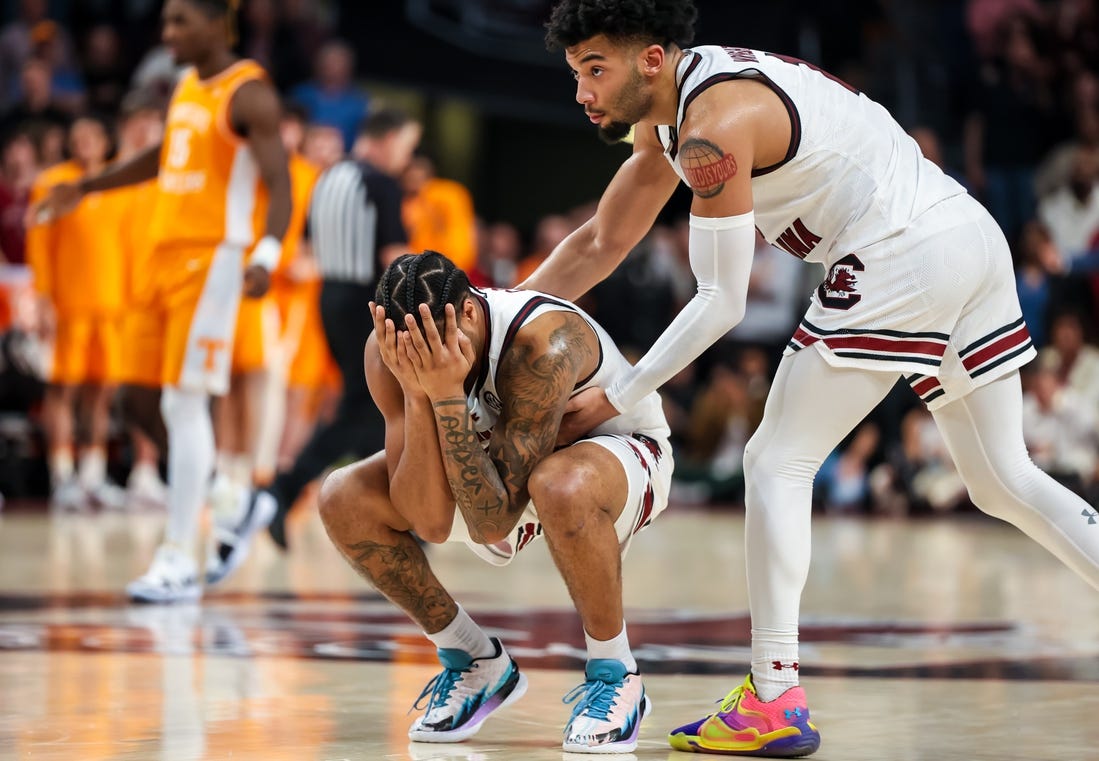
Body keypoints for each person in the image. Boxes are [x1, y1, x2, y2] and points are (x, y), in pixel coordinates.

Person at [529, 1, 1099, 756]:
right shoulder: (670, 116)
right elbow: (601, 241)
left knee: (773, 460)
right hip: (964, 234)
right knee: (1001, 480)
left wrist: (617, 393)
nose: (582, 92)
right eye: (575, 73)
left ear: (652, 60)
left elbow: (720, 301)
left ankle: (773, 694)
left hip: (901, 249)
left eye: (593, 70)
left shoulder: (711, 126)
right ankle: (770, 693)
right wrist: (506, 312)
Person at [320, 250, 672, 752]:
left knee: (558, 484)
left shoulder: (542, 343)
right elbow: (430, 521)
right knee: (344, 497)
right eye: (408, 349)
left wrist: (444, 396)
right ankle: (474, 660)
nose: (423, 358)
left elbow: (492, 522)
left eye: (435, 345)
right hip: (500, 462)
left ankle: (616, 673)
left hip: (616, 455)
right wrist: (422, 395)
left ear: (467, 312)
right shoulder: (388, 352)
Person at [30, 0, 291, 603]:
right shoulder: (182, 86)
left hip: (214, 261)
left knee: (182, 402)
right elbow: (163, 157)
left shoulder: (249, 93)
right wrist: (88, 186)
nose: (167, 32)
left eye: (180, 21)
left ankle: (178, 556)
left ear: (216, 22)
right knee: (135, 402)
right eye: (165, 20)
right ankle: (235, 501)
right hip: (159, 259)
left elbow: (278, 181)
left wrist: (266, 254)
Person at [204, 109, 418, 579]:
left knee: (373, 409)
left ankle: (391, 507)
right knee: (370, 408)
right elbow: (392, 258)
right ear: (387, 140)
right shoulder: (379, 182)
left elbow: (307, 246)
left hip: (330, 299)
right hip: (369, 303)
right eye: (406, 145)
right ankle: (283, 489)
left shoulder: (325, 179)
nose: (406, 157)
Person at [26, 114, 126, 510]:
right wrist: (43, 298)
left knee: (101, 394)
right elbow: (38, 243)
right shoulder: (52, 183)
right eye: (77, 136)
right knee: (62, 390)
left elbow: (130, 245)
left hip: (113, 305)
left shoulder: (119, 183)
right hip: (68, 305)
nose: (85, 143)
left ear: (105, 142)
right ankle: (62, 474)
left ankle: (93, 475)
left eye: (92, 136)